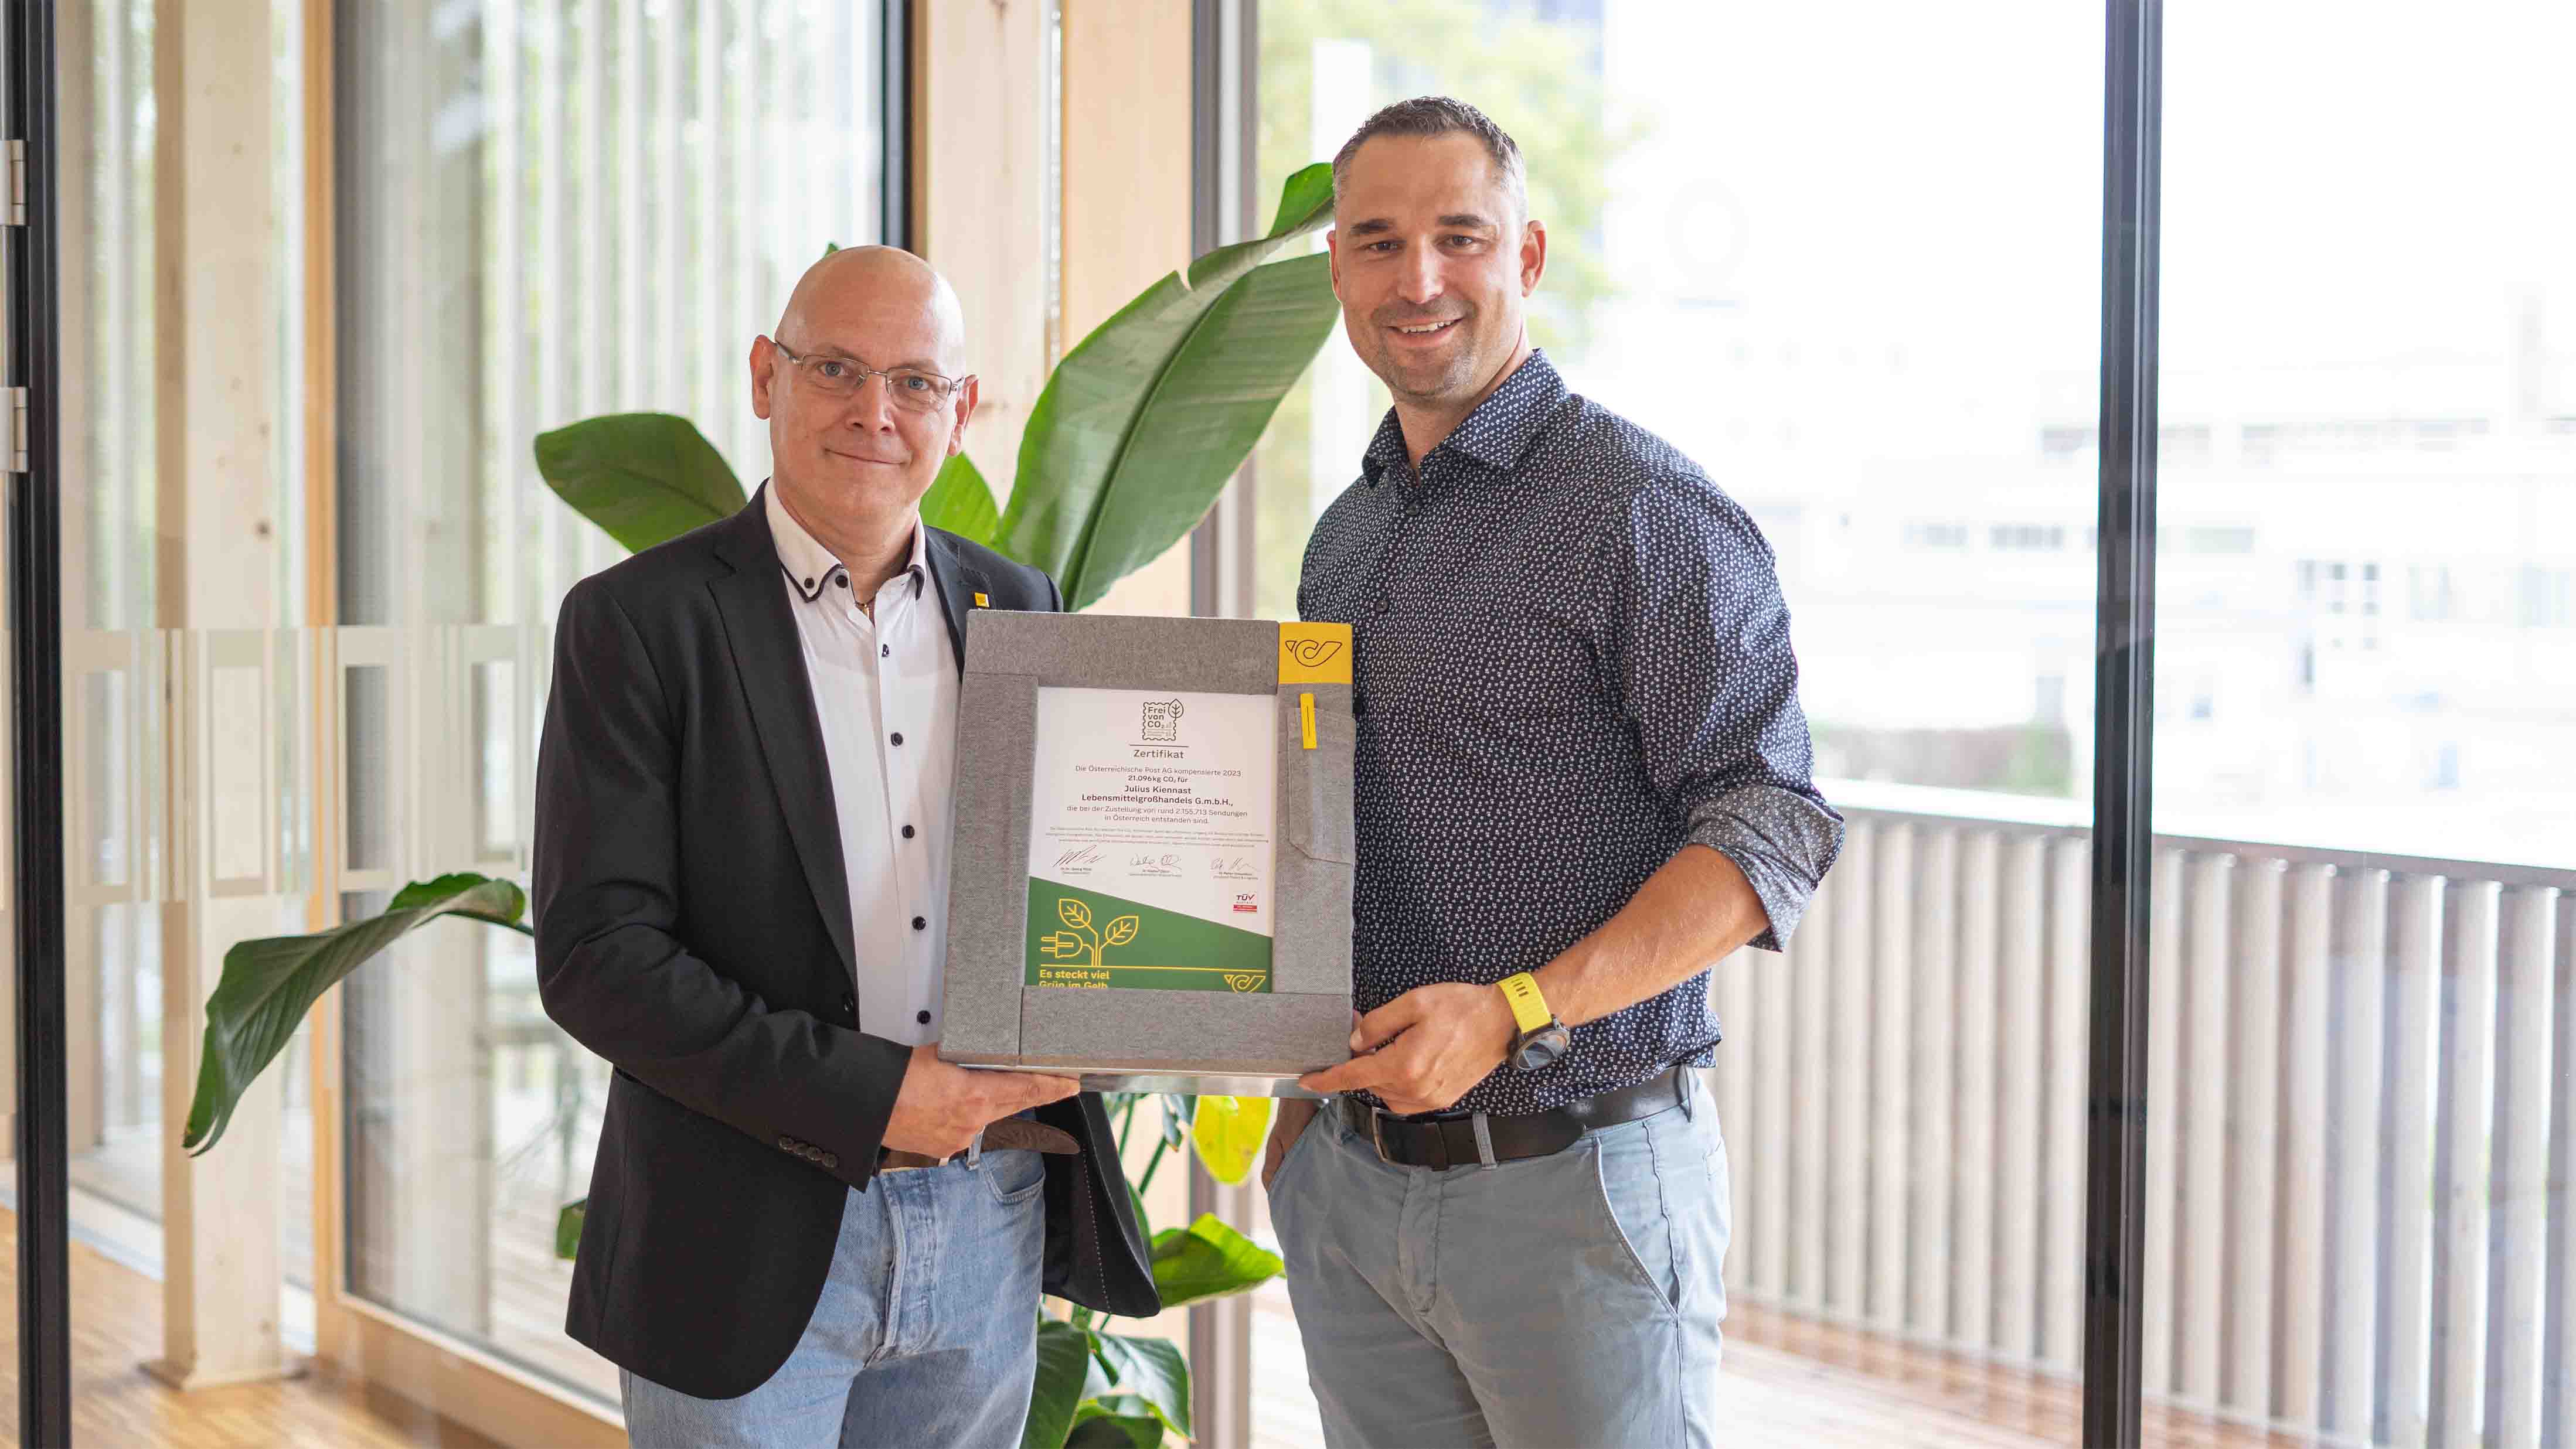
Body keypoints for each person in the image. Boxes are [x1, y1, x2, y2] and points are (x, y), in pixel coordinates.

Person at [1266, 97, 1844, 1448]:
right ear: (1338, 273)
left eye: (1457, 237)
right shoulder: (1341, 540)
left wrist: (1513, 1008)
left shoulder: (1639, 510)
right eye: (1377, 240)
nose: (1417, 279)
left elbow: (1770, 826)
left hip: (1572, 1186)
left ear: (1523, 258)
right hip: (1355, 1192)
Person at [533, 246, 1156, 1448]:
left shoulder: (1021, 611)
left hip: (988, 1213)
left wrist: (1162, 999)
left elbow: (1086, 883)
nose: (876, 410)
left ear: (960, 414)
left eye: (916, 383)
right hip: (737, 1234)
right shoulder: (637, 622)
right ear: (766, 377)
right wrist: (878, 1094)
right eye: (836, 369)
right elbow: (598, 956)